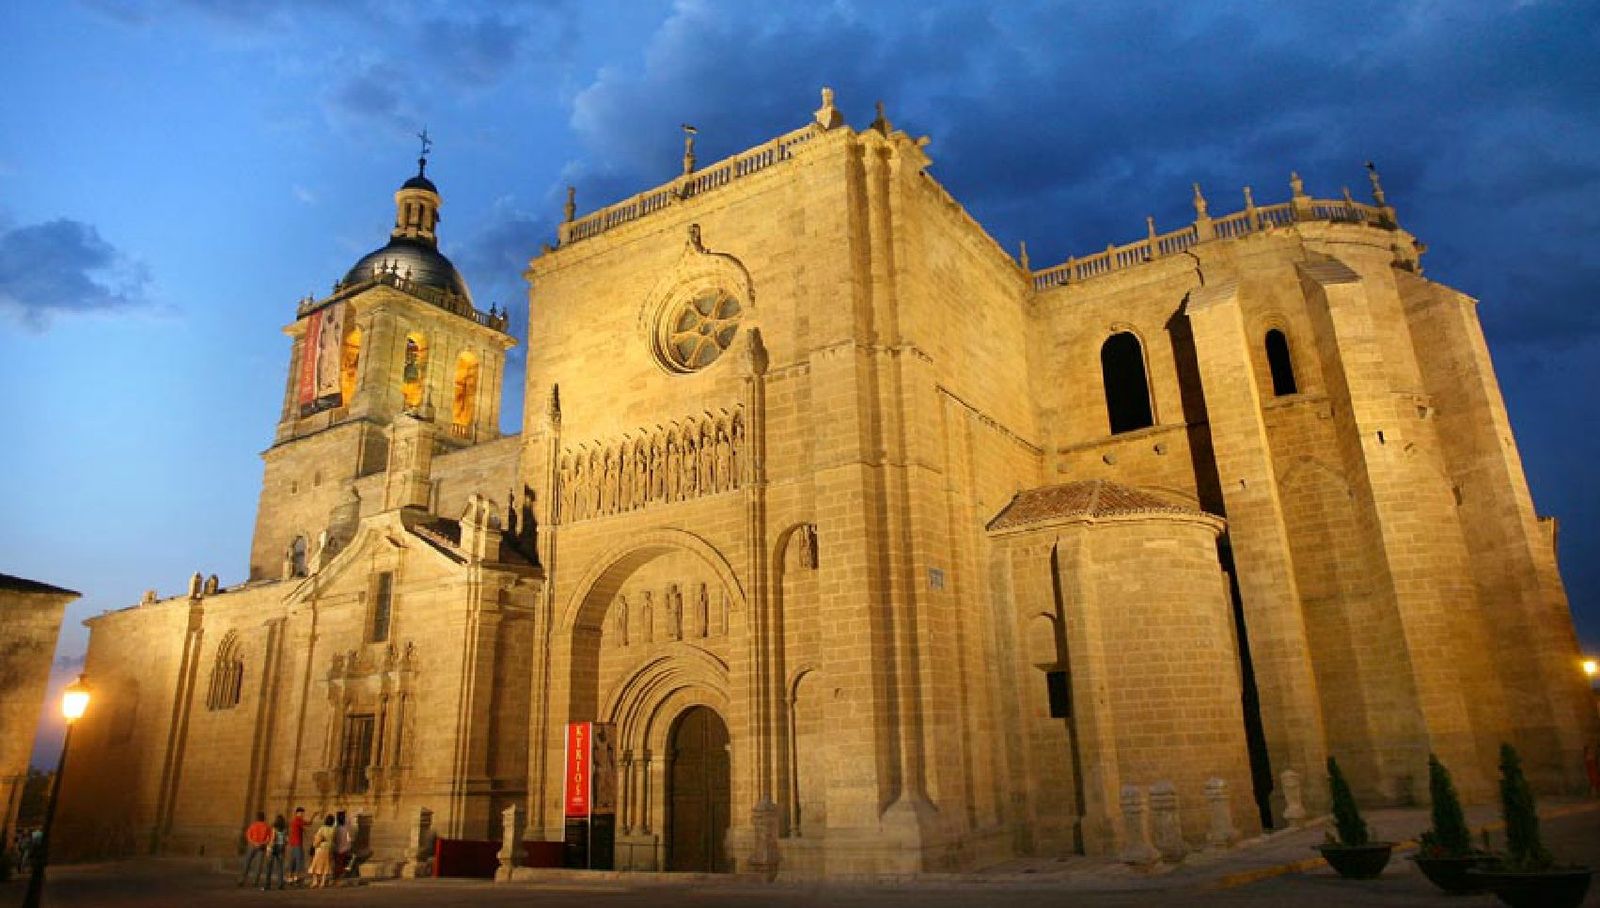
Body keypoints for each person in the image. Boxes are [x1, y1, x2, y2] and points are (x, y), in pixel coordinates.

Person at [238, 811, 272, 887]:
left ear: (257, 818)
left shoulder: (253, 825)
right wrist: (262, 843)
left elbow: (248, 835)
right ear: (264, 818)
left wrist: (253, 842)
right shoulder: (267, 826)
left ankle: (242, 880)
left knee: (247, 862)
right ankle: (255, 882)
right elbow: (269, 838)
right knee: (258, 865)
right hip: (261, 846)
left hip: (252, 845)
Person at [307, 815, 336, 889]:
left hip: (320, 848)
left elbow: (317, 839)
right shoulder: (333, 830)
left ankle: (315, 881)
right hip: (328, 849)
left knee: (315, 865)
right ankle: (322, 882)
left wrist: (314, 845)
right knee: (325, 866)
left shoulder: (322, 829)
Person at [285, 807, 308, 885]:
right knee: (298, 861)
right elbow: (308, 824)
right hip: (297, 843)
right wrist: (314, 816)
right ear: (298, 813)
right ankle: (296, 878)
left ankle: (290, 877)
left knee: (293, 861)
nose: (302, 815)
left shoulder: (295, 820)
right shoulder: (298, 820)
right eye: (302, 813)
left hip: (294, 843)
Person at [333, 810, 353, 881]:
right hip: (345, 848)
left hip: (337, 848)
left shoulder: (335, 828)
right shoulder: (345, 827)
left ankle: (337, 877)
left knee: (338, 864)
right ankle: (340, 876)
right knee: (344, 863)